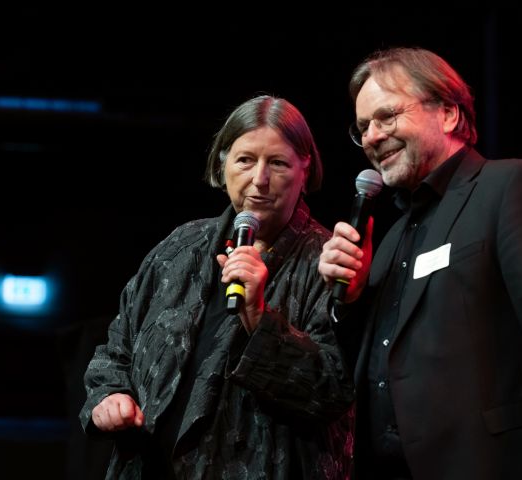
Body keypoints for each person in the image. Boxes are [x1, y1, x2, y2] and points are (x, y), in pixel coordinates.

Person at [318, 46, 522, 480]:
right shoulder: (392, 236)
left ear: (449, 113)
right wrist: (351, 300)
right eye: (363, 127)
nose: (373, 137)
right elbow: (372, 366)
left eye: (388, 116)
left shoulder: (511, 187)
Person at [80, 94, 355, 479]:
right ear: (223, 162)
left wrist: (259, 317)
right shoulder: (181, 247)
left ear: (304, 170)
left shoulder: (327, 262)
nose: (259, 179)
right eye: (245, 160)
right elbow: (116, 346)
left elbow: (332, 393)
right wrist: (109, 395)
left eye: (277, 163)